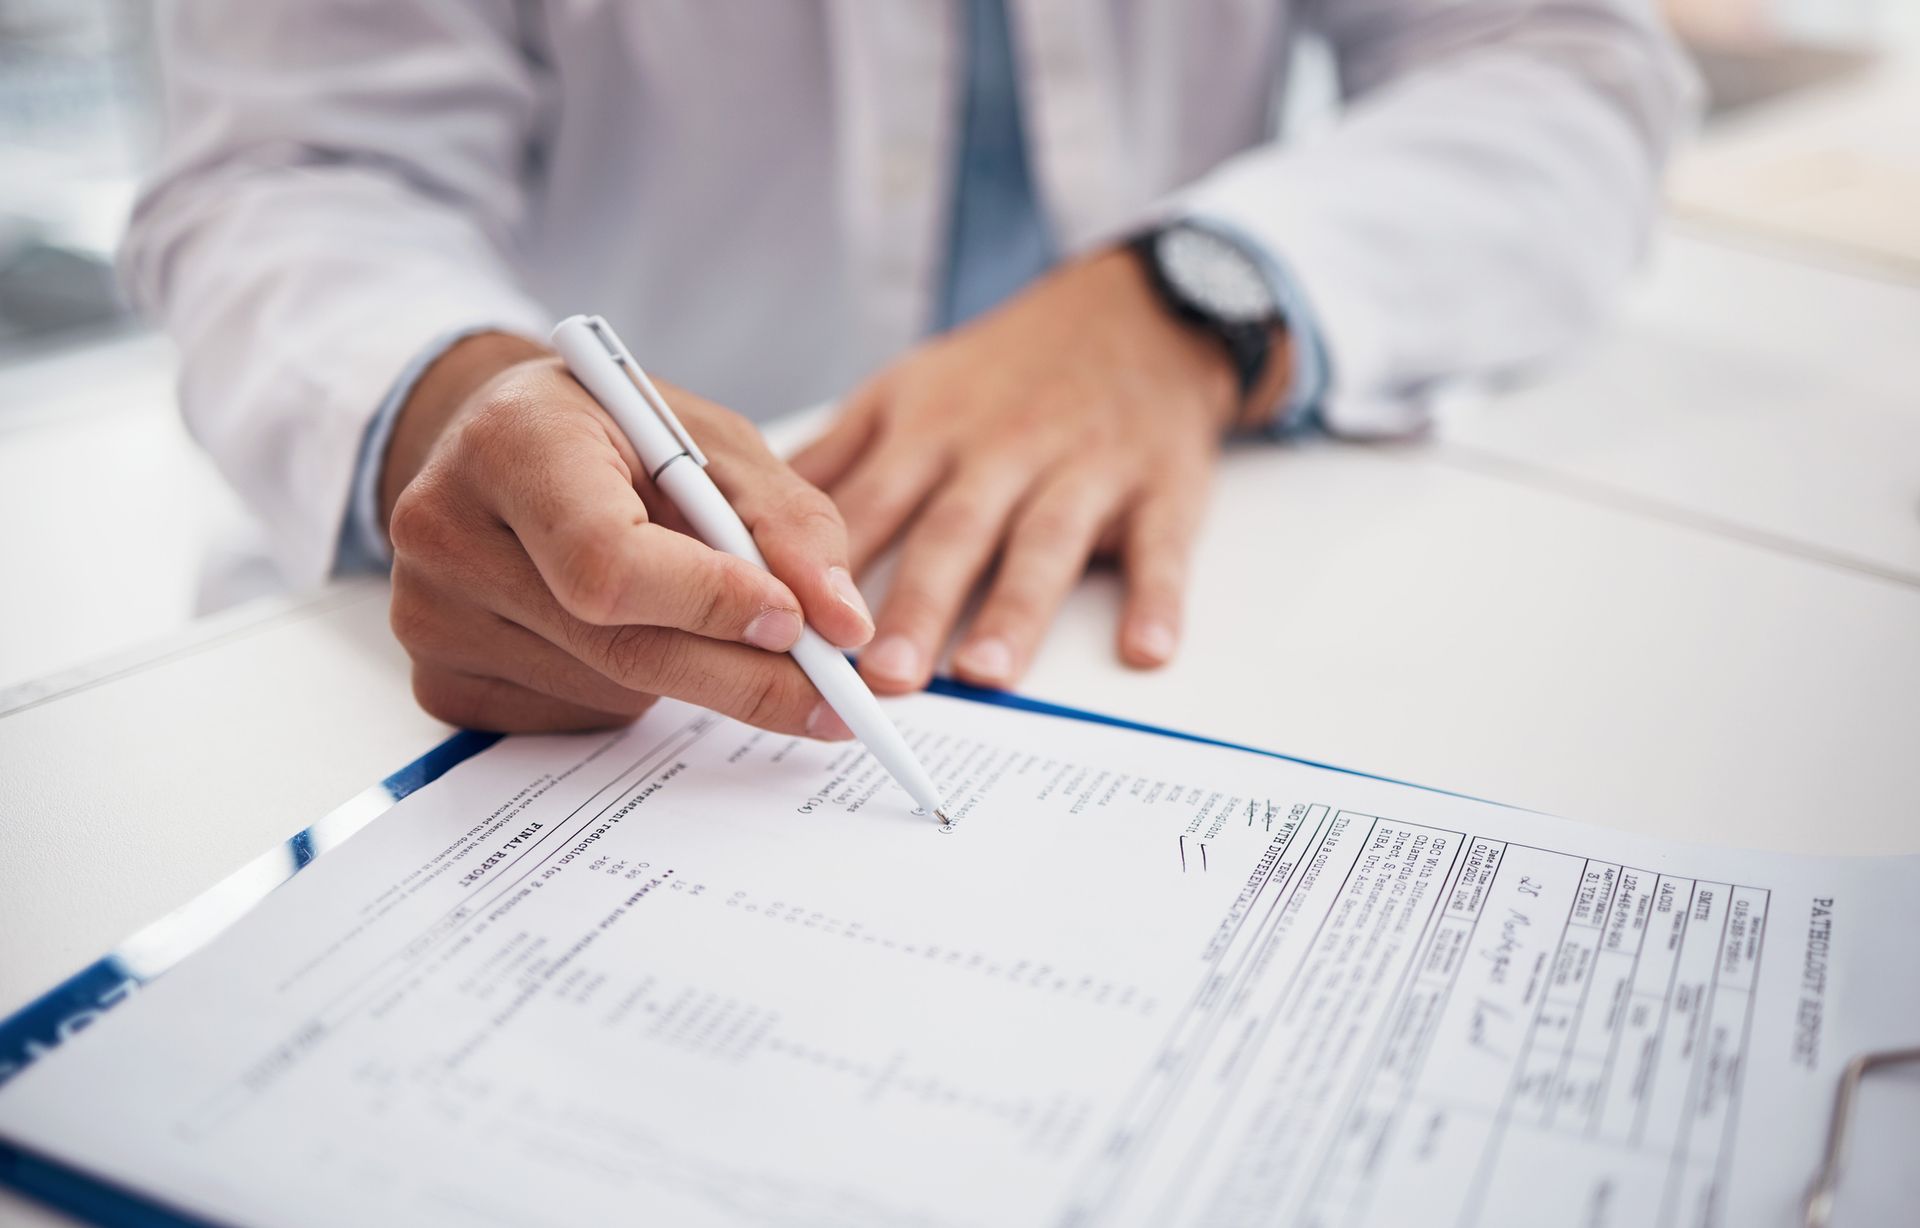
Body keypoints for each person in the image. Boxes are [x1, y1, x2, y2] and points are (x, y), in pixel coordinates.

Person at [124, 0, 1694, 736]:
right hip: (551, 647)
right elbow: (285, 175)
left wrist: (1189, 299)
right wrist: (456, 405)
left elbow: (1565, 64)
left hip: (1183, 554)